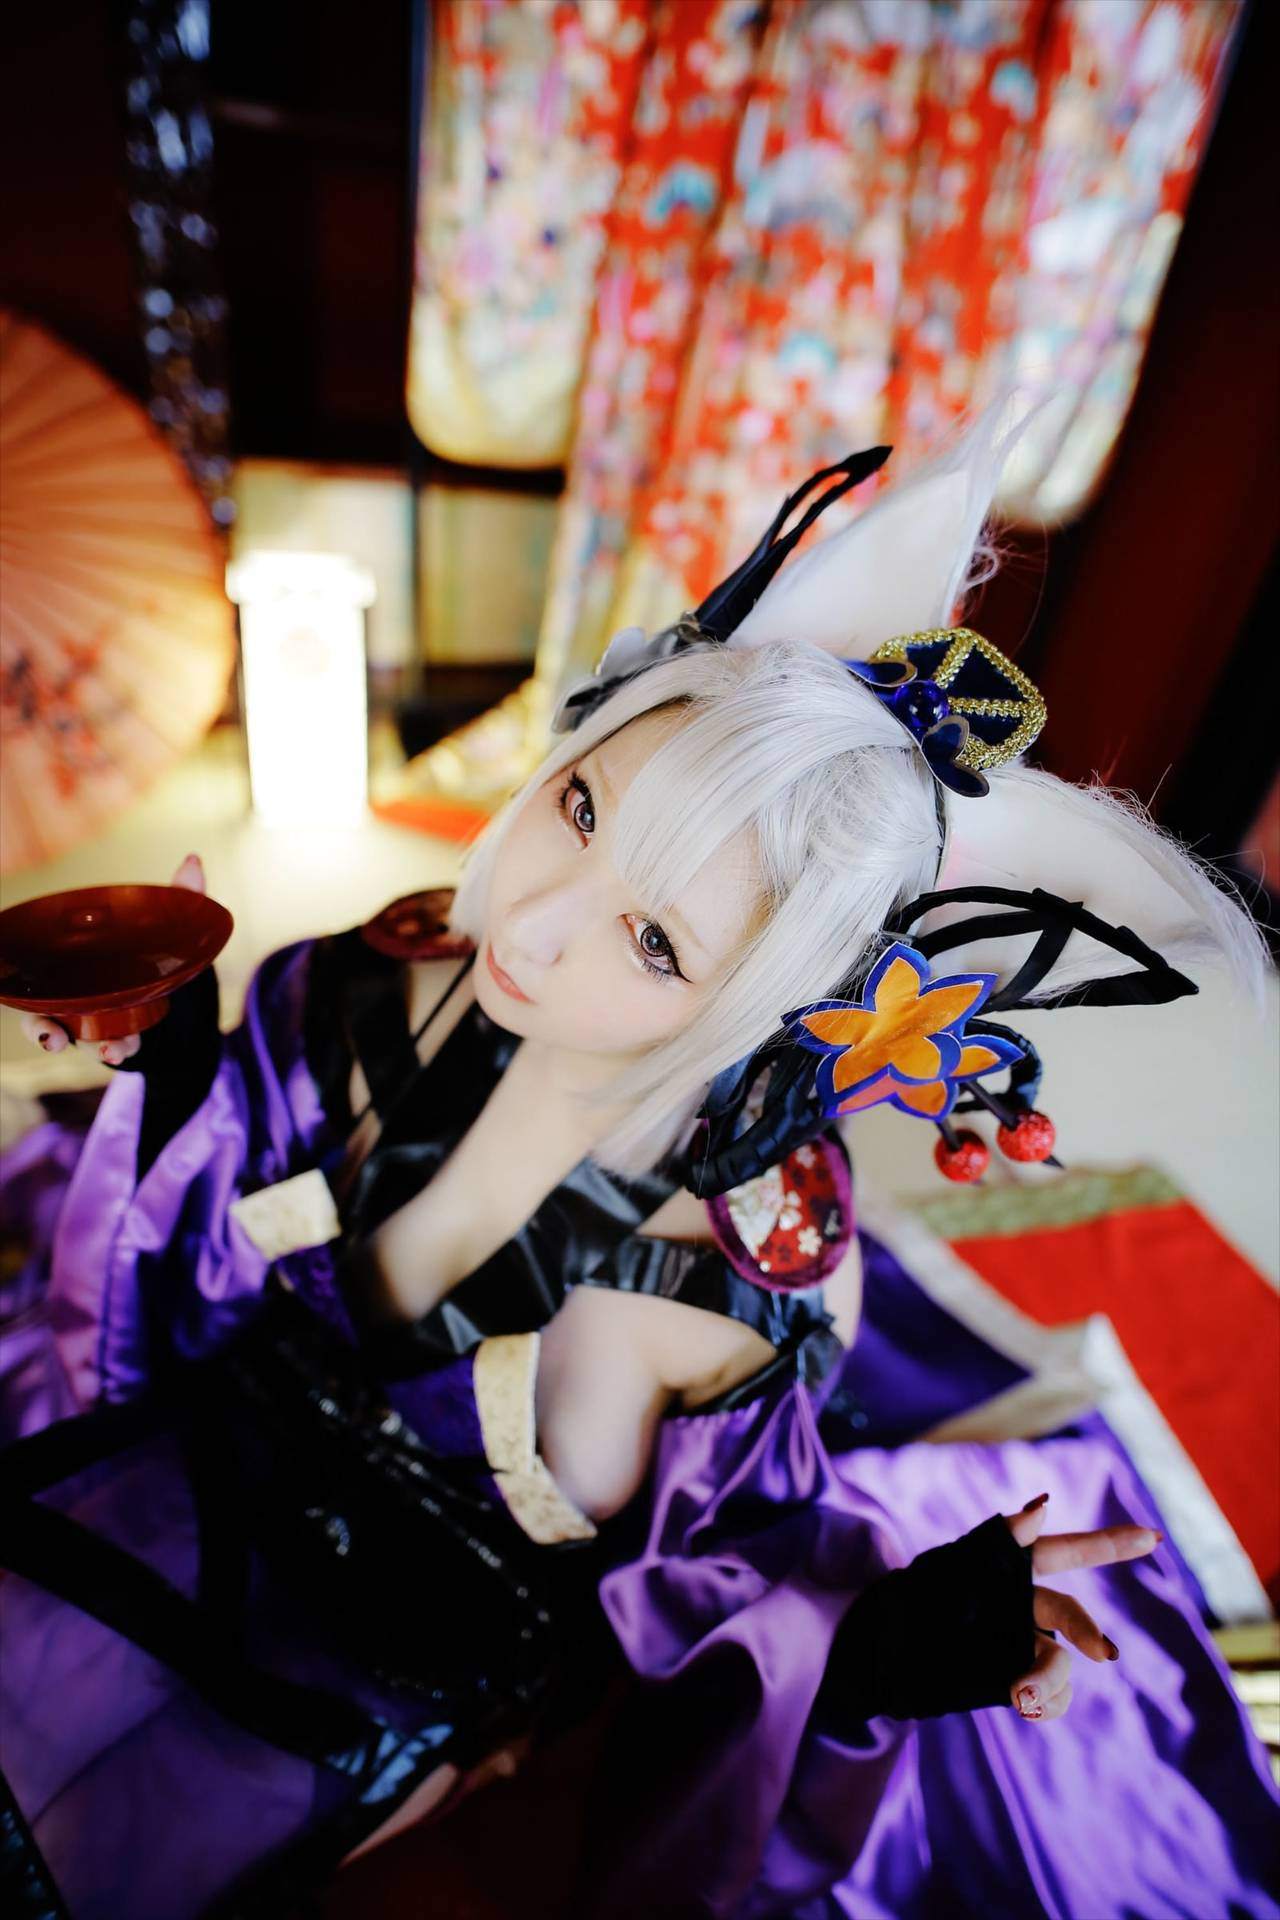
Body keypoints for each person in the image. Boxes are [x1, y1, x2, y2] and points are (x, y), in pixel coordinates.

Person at [1, 411, 1276, 1920]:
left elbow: (717, 1643)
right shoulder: (372, 990)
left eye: (658, 940)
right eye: (583, 806)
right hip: (167, 1481)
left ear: (774, 1007)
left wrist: (870, 1656)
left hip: (387, 1696)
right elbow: (160, 1296)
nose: (535, 923)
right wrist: (174, 1078)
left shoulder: (743, 1301)